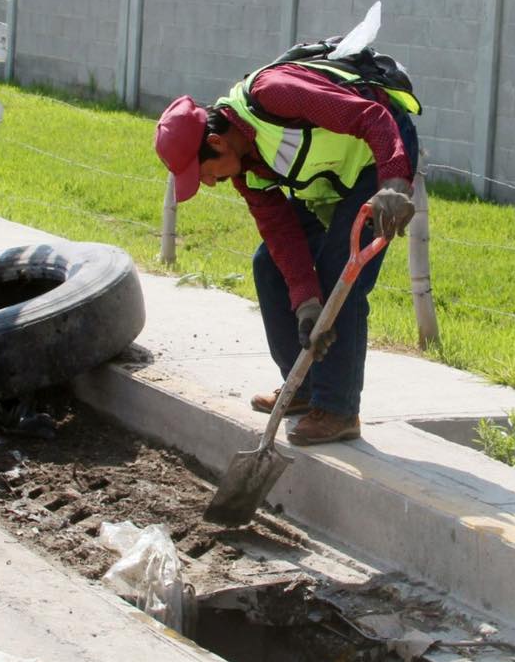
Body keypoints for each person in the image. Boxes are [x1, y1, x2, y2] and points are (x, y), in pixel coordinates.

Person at [154, 45, 419, 445]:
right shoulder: (246, 170)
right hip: (330, 177)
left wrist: (395, 181)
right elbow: (281, 235)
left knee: (339, 273)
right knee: (269, 264)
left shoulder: (274, 94)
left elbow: (372, 116)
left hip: (378, 157)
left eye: (203, 173)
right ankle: (303, 388)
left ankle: (338, 410)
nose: (208, 183)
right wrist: (306, 304)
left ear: (218, 143)